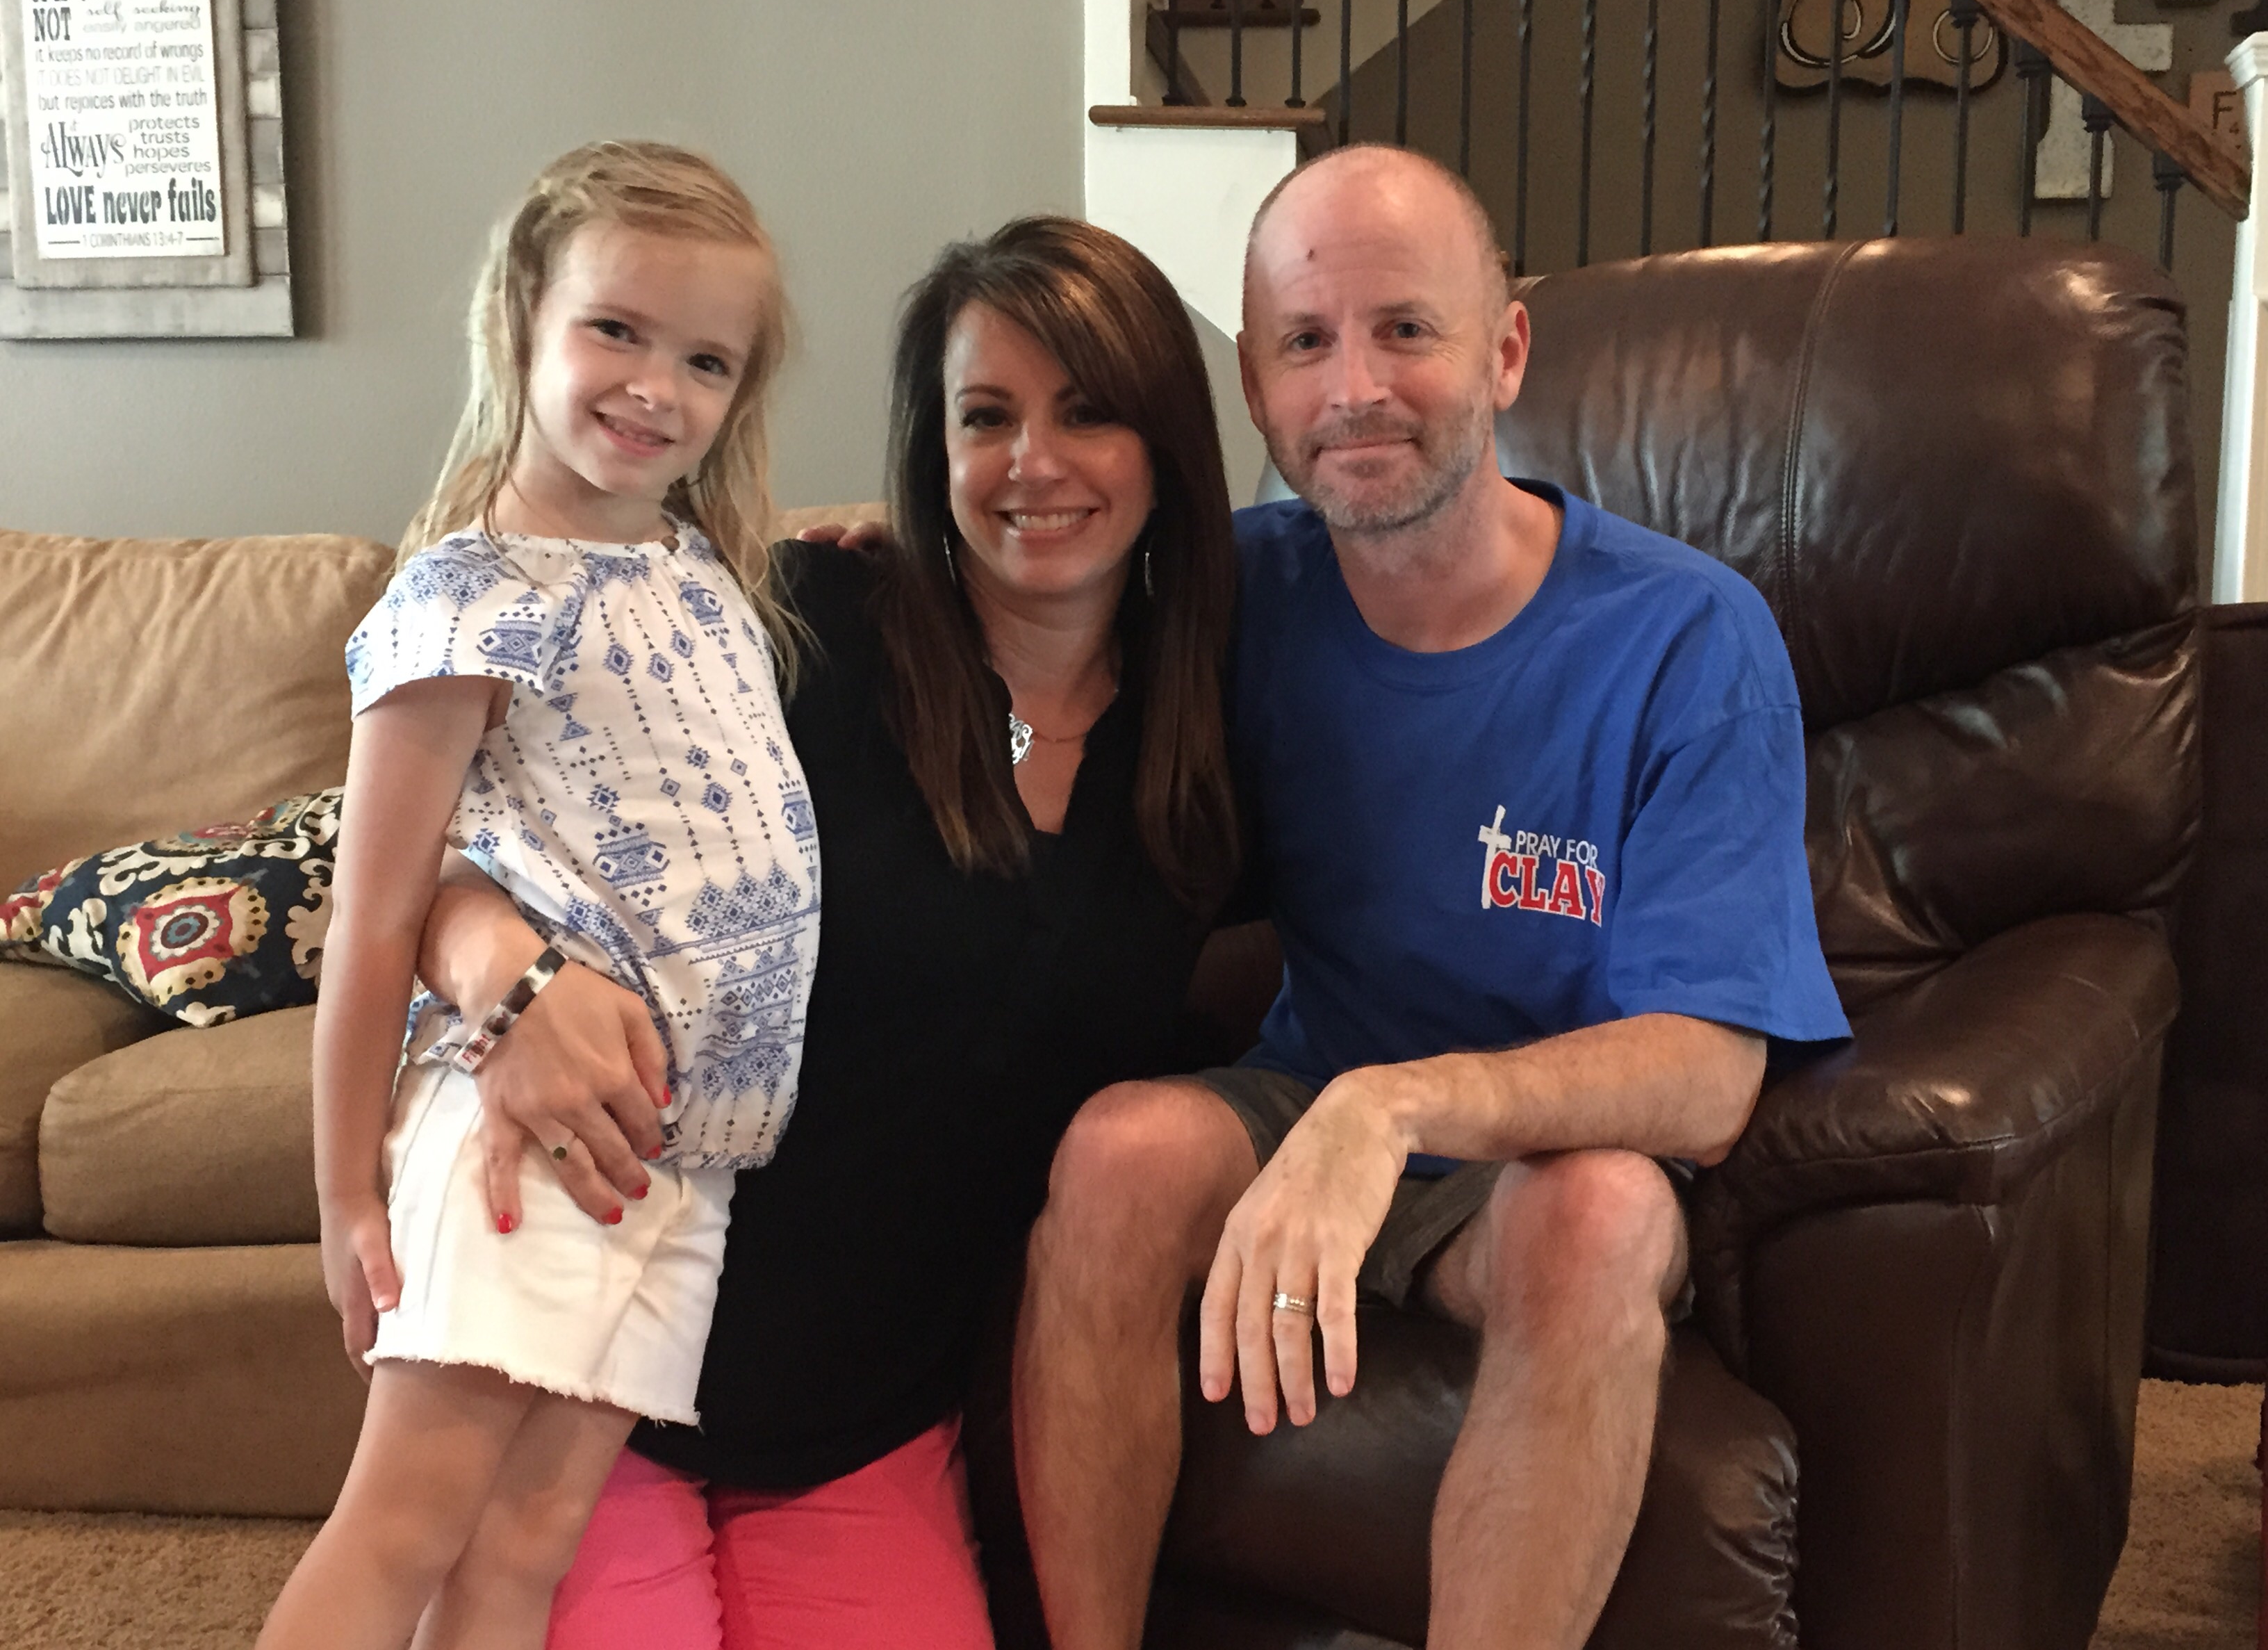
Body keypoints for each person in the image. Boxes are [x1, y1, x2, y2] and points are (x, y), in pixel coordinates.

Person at [1012, 143, 1850, 1650]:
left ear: (1505, 351)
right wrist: (874, 573)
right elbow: (1020, 608)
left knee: (1603, 1216)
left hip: (1535, 1160)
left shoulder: (1689, 639)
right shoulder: (1232, 593)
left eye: (1406, 329)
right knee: (1118, 1152)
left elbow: (1710, 1075)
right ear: (1255, 386)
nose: (1354, 391)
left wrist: (1391, 1110)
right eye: (1304, 343)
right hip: (1302, 1092)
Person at [406, 214, 1242, 1649]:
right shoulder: (795, 630)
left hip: (863, 1426)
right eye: (986, 417)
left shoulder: (1208, 738)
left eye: (1088, 412)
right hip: (593, 1363)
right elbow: (433, 843)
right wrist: (507, 972)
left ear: (1166, 442)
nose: (1034, 463)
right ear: (934, 446)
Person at [258, 142, 816, 1650]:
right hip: (524, 1139)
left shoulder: (702, 569)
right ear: (522, 318)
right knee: (404, 1529)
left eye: (705, 360)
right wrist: (344, 1198)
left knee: (525, 1551)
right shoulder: (466, 596)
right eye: (615, 330)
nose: (654, 388)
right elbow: (375, 918)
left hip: (680, 1162)